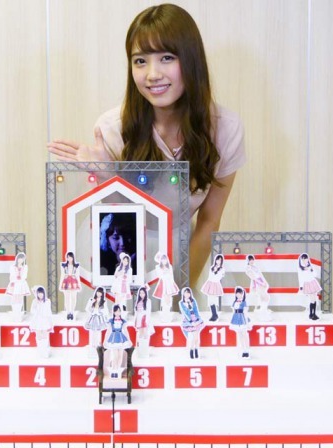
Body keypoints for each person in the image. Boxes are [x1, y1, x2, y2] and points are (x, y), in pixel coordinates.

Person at [47, 3, 246, 288]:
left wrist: (179, 291)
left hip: (187, 251)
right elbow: (118, 222)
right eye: (140, 61)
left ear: (191, 60)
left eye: (166, 58)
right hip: (122, 248)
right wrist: (108, 177)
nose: (152, 74)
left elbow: (209, 222)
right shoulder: (113, 129)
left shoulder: (225, 129)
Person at [104, 304, 132, 378]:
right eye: (116, 311)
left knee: (120, 356)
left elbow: (126, 331)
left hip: (121, 338)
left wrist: (129, 340)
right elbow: (108, 331)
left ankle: (117, 370)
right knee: (115, 356)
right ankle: (114, 370)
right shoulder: (111, 321)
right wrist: (105, 340)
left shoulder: (123, 321)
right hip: (113, 339)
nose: (117, 313)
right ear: (113, 312)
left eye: (119, 311)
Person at [178, 287, 205, 359]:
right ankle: (191, 350)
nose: (187, 294)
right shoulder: (181, 303)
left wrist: (198, 319)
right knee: (193, 338)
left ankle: (196, 351)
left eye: (188, 293)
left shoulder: (193, 301)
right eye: (186, 293)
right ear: (183, 294)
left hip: (195, 318)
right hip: (188, 320)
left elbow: (196, 311)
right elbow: (185, 313)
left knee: (196, 337)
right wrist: (191, 322)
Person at [152, 252, 179, 318]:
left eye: (165, 259)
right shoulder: (158, 267)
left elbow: (171, 276)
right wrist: (164, 272)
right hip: (163, 283)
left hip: (169, 283)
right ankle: (164, 314)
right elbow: (159, 276)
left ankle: (168, 313)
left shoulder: (170, 266)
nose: (164, 260)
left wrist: (172, 285)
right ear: (160, 260)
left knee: (169, 298)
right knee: (164, 298)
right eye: (163, 259)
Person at [29, 285, 54, 358]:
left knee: (45, 335)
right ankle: (40, 351)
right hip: (37, 320)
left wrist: (50, 322)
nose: (40, 294)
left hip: (45, 320)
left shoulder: (47, 301)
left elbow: (48, 312)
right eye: (39, 293)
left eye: (41, 293)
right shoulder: (35, 301)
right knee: (39, 335)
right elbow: (32, 310)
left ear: (44, 293)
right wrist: (37, 306)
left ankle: (45, 350)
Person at [84, 286, 109, 356]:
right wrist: (92, 304)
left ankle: (98, 347)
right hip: (92, 318)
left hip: (99, 318)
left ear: (102, 294)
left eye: (100, 293)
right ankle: (92, 347)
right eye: (98, 292)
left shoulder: (104, 301)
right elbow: (87, 308)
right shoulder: (91, 299)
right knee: (92, 333)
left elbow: (106, 311)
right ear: (96, 292)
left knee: (98, 333)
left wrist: (99, 312)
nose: (99, 294)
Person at [245, 254, 271, 320]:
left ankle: (263, 311)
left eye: (252, 259)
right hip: (256, 283)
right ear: (248, 261)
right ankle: (262, 311)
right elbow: (253, 278)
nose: (252, 261)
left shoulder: (255, 267)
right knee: (266, 297)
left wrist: (264, 282)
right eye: (250, 260)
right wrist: (261, 283)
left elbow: (260, 275)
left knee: (263, 298)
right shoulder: (248, 268)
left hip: (260, 281)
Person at [6, 252, 30, 320]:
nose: (21, 260)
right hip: (14, 283)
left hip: (21, 284)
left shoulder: (25, 267)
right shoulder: (12, 267)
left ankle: (19, 313)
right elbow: (12, 275)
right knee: (14, 298)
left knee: (20, 298)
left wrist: (20, 279)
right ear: (17, 259)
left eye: (22, 259)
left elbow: (25, 276)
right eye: (20, 258)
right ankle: (15, 313)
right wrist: (15, 280)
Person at [201, 254, 225, 322]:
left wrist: (216, 271)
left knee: (214, 300)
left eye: (220, 260)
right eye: (217, 259)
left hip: (216, 284)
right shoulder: (212, 267)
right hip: (210, 283)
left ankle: (215, 315)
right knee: (210, 300)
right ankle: (214, 314)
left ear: (221, 261)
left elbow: (218, 277)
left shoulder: (222, 269)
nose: (218, 261)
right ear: (215, 260)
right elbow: (210, 276)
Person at [297, 253, 322, 320]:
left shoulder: (310, 266)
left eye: (306, 258)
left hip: (313, 282)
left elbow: (315, 274)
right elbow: (300, 278)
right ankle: (311, 314)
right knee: (312, 299)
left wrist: (311, 269)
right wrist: (301, 287)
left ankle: (313, 314)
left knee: (314, 299)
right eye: (303, 259)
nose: (305, 260)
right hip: (307, 284)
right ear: (301, 260)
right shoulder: (300, 268)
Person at [229, 286, 251, 358]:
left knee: (244, 334)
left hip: (242, 319)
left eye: (240, 293)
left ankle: (247, 350)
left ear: (242, 294)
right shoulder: (234, 302)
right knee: (239, 335)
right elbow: (233, 311)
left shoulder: (244, 302)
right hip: (235, 319)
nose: (238, 295)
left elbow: (245, 313)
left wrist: (247, 323)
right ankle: (243, 350)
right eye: (237, 293)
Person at [59, 251, 82, 320]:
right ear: (66, 258)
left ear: (73, 258)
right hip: (66, 281)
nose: (69, 259)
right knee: (67, 298)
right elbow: (62, 275)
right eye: (68, 257)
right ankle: (68, 312)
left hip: (74, 282)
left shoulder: (76, 265)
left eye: (71, 257)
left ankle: (72, 312)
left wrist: (79, 285)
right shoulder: (64, 265)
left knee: (73, 297)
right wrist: (60, 285)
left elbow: (77, 276)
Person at [134, 285, 155, 357]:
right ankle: (140, 351)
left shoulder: (148, 301)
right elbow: (136, 312)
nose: (141, 294)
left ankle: (145, 351)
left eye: (143, 293)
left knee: (145, 334)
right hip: (139, 319)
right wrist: (135, 320)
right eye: (140, 293)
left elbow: (148, 312)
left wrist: (147, 320)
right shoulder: (138, 301)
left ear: (145, 293)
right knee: (140, 334)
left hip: (144, 318)